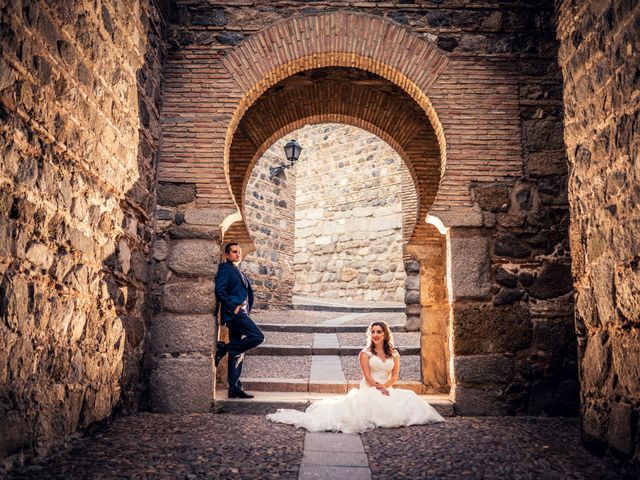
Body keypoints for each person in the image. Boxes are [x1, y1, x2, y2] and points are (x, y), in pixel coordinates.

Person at [266, 321, 444, 432]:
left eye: (379, 332)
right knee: (374, 405)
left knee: (409, 399)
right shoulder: (365, 353)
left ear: (385, 335)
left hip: (387, 387)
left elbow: (395, 376)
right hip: (370, 386)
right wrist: (378, 387)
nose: (375, 335)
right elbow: (367, 377)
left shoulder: (394, 354)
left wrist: (386, 386)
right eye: (373, 332)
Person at [214, 242, 265, 399]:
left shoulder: (237, 270)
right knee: (258, 337)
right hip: (235, 314)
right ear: (227, 255)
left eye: (239, 252)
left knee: (238, 353)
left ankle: (234, 388)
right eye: (234, 252)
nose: (238, 254)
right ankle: (224, 348)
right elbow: (220, 290)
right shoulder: (225, 268)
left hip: (241, 313)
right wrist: (232, 306)